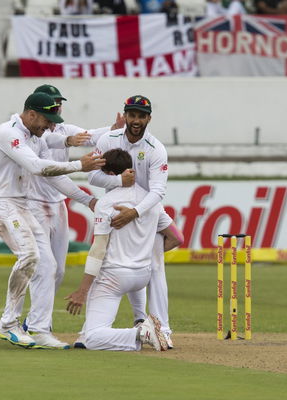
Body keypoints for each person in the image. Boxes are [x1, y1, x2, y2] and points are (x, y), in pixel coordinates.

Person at [0, 91, 106, 348]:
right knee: (30, 256)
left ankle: (38, 329)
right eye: (46, 120)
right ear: (30, 114)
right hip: (1, 204)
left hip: (21, 205)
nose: (50, 125)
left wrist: (114, 130)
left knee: (48, 266)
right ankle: (8, 324)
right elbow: (38, 167)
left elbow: (54, 164)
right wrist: (79, 166)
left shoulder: (35, 136)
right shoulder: (9, 133)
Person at [14, 84, 124, 349]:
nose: (57, 108)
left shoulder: (63, 130)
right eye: (52, 103)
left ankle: (33, 321)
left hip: (58, 205)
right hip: (34, 203)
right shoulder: (34, 137)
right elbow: (54, 177)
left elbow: (90, 136)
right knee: (43, 266)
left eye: (58, 103)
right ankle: (33, 323)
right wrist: (88, 199)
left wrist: (114, 129)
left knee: (58, 271)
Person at [87, 95, 184, 348]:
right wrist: (119, 183)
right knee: (143, 261)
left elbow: (158, 191)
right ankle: (143, 320)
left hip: (147, 206)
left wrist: (136, 212)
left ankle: (162, 328)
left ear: (148, 118)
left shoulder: (156, 149)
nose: (136, 120)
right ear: (126, 115)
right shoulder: (108, 139)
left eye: (142, 116)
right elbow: (94, 178)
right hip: (118, 202)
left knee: (162, 255)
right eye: (132, 115)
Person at [65, 149, 169, 351]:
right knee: (87, 337)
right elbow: (174, 237)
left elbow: (98, 249)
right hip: (142, 276)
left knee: (94, 338)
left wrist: (82, 291)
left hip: (114, 277)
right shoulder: (152, 201)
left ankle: (141, 332)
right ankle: (135, 322)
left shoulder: (106, 202)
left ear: (111, 175)